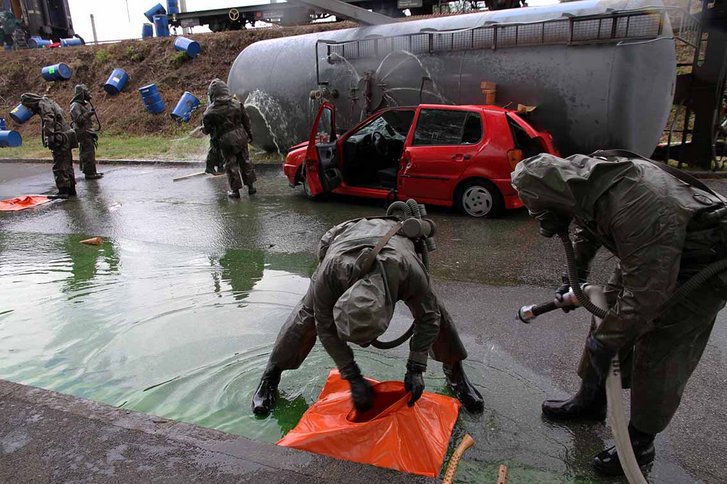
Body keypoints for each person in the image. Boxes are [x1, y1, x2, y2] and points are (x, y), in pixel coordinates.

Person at [511, 150, 727, 476]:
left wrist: (609, 340)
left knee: (660, 349)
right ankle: (591, 400)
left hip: (699, 263)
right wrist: (576, 275)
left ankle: (640, 442)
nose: (537, 216)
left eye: (538, 208)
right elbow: (586, 225)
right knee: (608, 314)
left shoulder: (637, 205)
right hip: (649, 250)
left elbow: (647, 294)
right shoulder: (580, 183)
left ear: (551, 196)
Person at [251, 212, 485, 417]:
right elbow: (325, 327)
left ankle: (455, 373)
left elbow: (428, 319)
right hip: (341, 239)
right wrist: (352, 376)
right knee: (308, 313)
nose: (363, 347)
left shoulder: (408, 272)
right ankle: (271, 375)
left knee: (436, 313)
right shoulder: (330, 275)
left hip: (395, 245)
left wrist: (416, 367)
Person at [201, 79, 255, 198]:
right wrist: (250, 135)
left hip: (226, 140)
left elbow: (207, 129)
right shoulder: (236, 104)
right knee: (245, 161)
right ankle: (251, 187)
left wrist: (204, 129)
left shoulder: (210, 112)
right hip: (241, 137)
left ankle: (235, 191)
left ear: (213, 94)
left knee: (231, 165)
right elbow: (246, 121)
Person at [21, 93, 77, 198]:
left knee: (59, 164)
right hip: (67, 134)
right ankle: (71, 189)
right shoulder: (49, 101)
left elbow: (48, 118)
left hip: (60, 136)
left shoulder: (42, 104)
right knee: (67, 163)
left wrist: (49, 135)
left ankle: (63, 191)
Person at [70, 84, 103, 180]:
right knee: (87, 153)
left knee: (90, 152)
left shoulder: (81, 105)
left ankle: (92, 171)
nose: (88, 94)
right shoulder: (75, 105)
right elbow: (78, 120)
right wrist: (89, 113)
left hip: (87, 131)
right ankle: (89, 173)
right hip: (82, 132)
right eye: (86, 92)